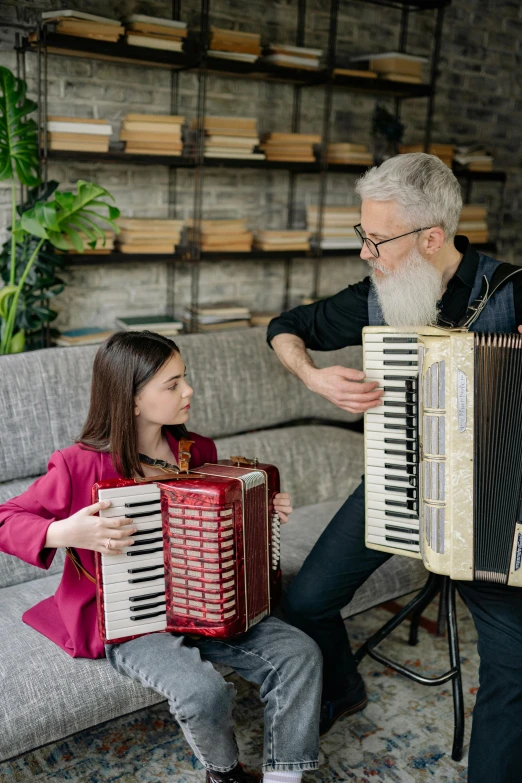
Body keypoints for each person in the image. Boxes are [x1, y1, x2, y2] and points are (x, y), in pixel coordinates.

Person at [267, 153, 522, 783]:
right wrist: (316, 378)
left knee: (515, 673)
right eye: (364, 235)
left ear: (430, 238)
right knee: (305, 602)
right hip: (397, 478)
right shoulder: (375, 295)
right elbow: (286, 327)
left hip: (490, 507)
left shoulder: (513, 294)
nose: (365, 253)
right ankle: (343, 687)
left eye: (375, 239)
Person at [0, 330, 322, 783]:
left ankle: (284, 777)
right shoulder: (79, 465)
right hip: (132, 621)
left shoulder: (200, 452)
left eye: (184, 378)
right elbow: (6, 517)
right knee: (202, 691)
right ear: (131, 399)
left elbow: (221, 531)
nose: (188, 390)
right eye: (171, 385)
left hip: (206, 605)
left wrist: (261, 510)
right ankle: (224, 774)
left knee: (299, 652)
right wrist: (65, 530)